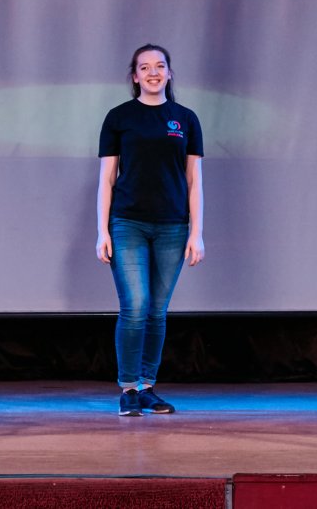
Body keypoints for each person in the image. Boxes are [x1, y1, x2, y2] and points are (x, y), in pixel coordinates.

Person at [97, 44, 205, 417]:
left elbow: (194, 181)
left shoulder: (185, 119)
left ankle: (146, 386)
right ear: (135, 76)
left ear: (169, 73)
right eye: (145, 67)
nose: (153, 72)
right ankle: (128, 388)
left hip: (173, 226)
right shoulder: (119, 117)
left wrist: (197, 232)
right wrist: (102, 230)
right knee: (135, 305)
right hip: (127, 223)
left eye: (160, 66)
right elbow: (107, 178)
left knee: (157, 311)